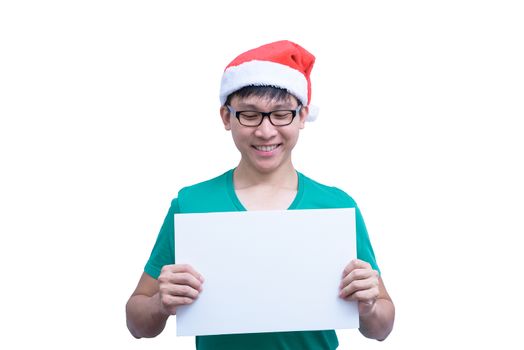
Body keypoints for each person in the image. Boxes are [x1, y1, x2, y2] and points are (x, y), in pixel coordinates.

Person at [126, 40, 395, 349]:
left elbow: (382, 328)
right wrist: (161, 303)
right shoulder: (191, 205)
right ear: (226, 117)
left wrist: (369, 305)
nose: (266, 131)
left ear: (303, 115)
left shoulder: (336, 207)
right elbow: (136, 323)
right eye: (249, 115)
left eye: (281, 114)